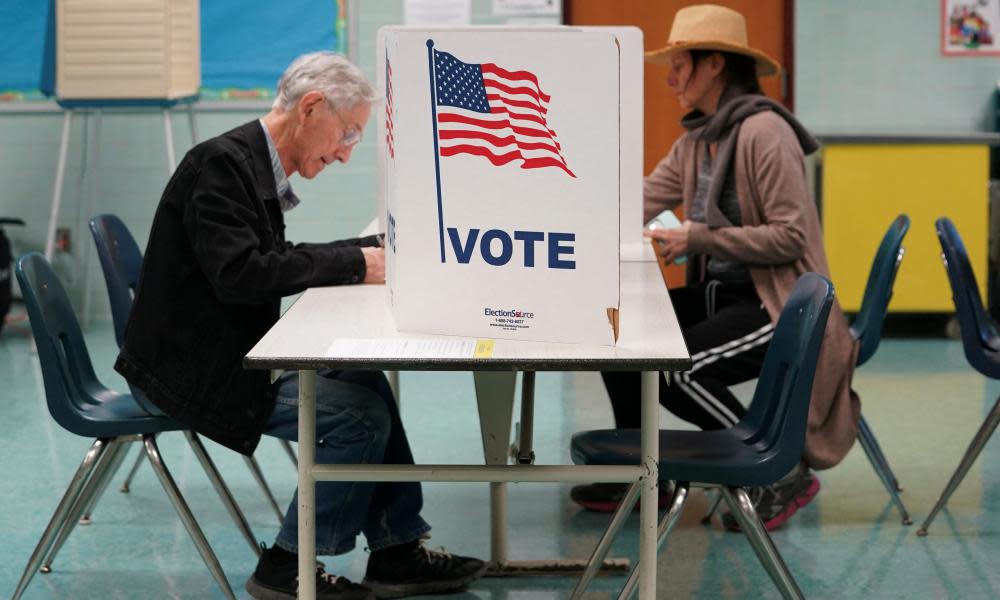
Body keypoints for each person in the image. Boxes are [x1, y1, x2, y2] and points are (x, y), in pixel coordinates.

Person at [115, 52, 486, 600]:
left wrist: (359, 252)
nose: (343, 152)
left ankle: (396, 550)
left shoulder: (247, 164)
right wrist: (357, 263)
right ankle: (287, 566)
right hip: (190, 376)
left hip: (218, 356)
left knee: (365, 381)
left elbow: (272, 257)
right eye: (349, 133)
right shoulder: (219, 167)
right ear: (312, 108)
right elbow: (242, 275)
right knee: (354, 418)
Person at [571, 5, 860, 532]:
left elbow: (792, 235)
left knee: (678, 372)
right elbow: (631, 199)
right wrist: (558, 208)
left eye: (680, 62)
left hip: (780, 305)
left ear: (715, 65)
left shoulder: (765, 133)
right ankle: (643, 475)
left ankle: (776, 470)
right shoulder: (699, 139)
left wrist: (697, 235)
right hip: (729, 294)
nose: (670, 76)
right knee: (617, 337)